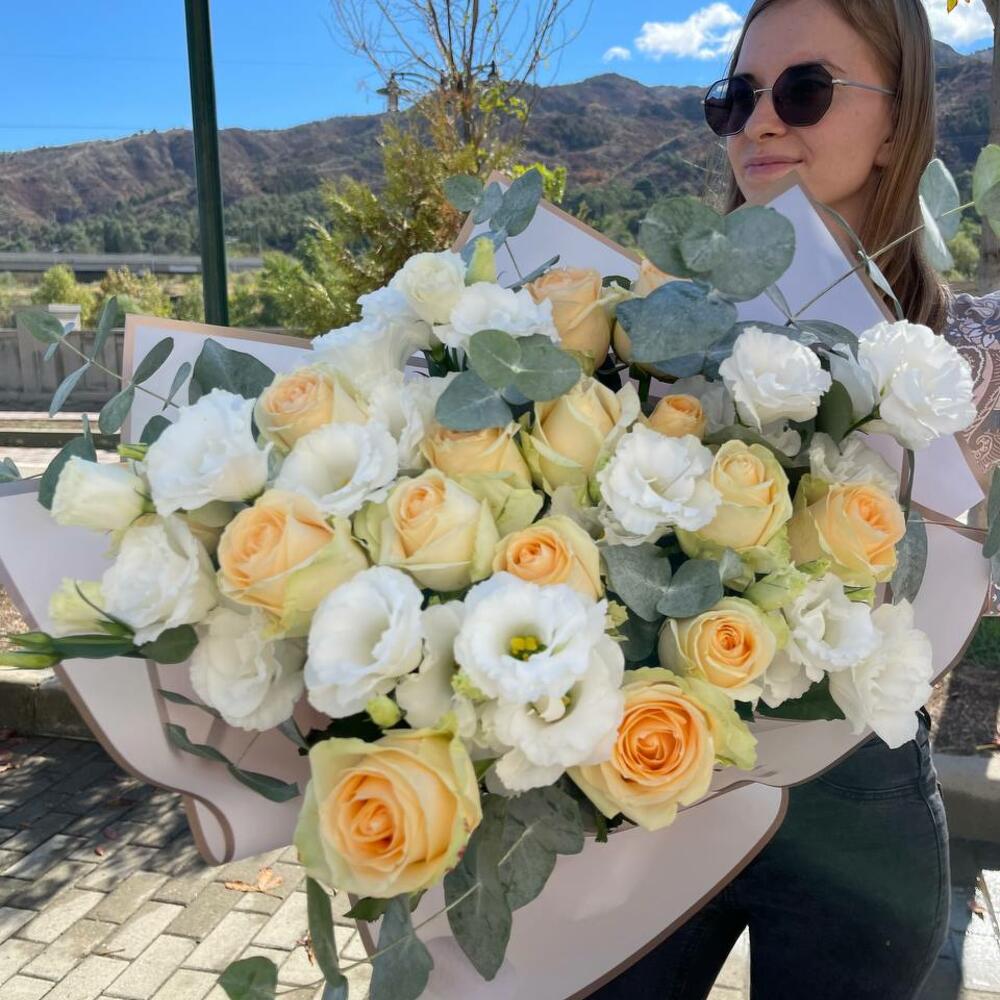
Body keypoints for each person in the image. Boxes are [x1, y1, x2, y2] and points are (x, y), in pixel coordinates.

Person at [590, 1, 1000, 998]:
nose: (759, 122)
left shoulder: (970, 361)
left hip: (859, 814)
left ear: (897, 124)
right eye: (732, 99)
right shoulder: (641, 332)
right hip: (655, 774)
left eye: (804, 90)